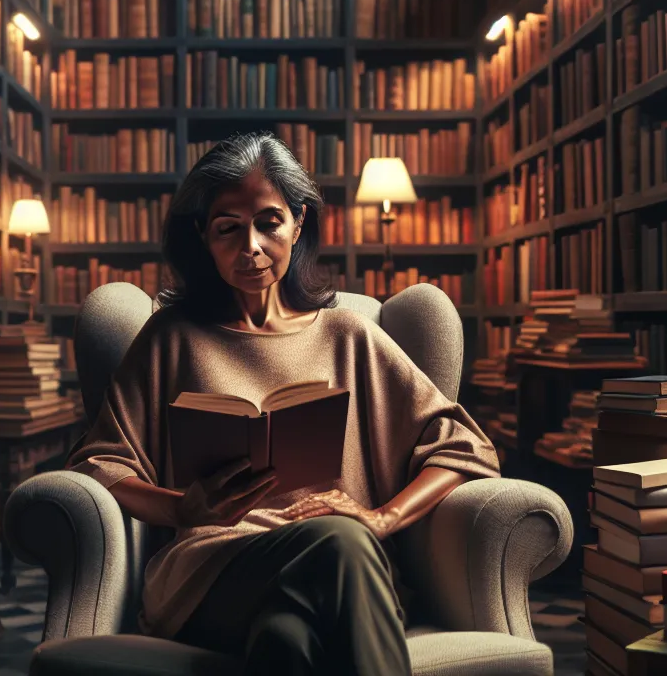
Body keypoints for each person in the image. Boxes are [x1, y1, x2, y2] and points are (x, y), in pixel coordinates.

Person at [65, 132, 500, 675]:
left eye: (269, 222)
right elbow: (98, 465)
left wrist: (383, 517)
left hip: (341, 569)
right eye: (228, 228)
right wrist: (182, 508)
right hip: (214, 571)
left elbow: (463, 446)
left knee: (286, 639)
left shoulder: (350, 335)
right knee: (342, 540)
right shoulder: (169, 337)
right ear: (203, 236)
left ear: (298, 222)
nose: (250, 245)